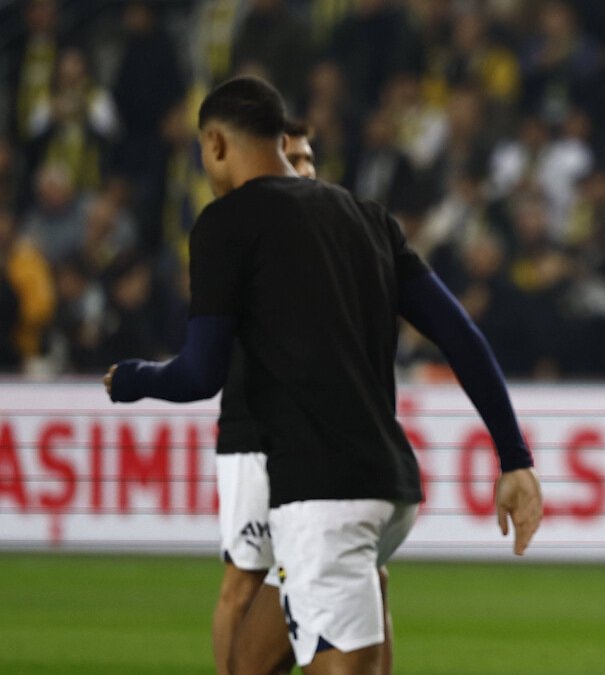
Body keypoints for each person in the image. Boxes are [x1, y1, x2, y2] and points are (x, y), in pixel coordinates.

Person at [105, 76, 543, 674]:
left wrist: (132, 379)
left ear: (215, 144)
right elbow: (460, 334)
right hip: (389, 486)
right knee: (250, 662)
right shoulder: (367, 217)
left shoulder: (225, 223)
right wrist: (514, 457)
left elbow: (200, 374)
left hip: (322, 496)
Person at [207, 117, 324, 675]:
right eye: (293, 159)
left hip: (310, 433)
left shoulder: (324, 232)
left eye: (309, 159)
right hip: (252, 431)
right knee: (244, 581)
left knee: (341, 573)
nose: (305, 170)